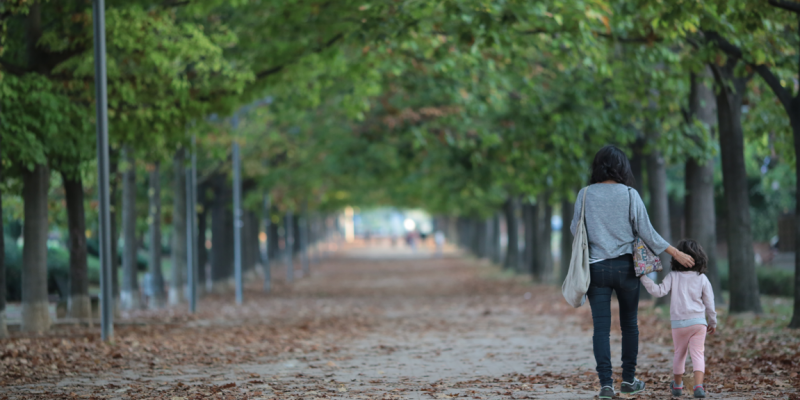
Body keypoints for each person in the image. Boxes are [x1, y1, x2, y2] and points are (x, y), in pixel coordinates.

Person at [570, 145, 695, 399]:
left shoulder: (584, 195)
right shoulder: (630, 195)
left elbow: (575, 229)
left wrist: (598, 237)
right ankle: (628, 380)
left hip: (596, 270)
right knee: (629, 326)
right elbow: (648, 233)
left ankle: (606, 384)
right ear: (622, 168)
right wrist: (675, 252)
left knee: (601, 329)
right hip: (627, 268)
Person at [640, 240, 717, 399]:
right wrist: (713, 321)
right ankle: (698, 387)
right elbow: (710, 302)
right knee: (698, 354)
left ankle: (677, 385)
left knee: (679, 354)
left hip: (679, 324)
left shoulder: (673, 276)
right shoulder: (702, 278)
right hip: (698, 323)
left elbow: (659, 291)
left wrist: (643, 277)